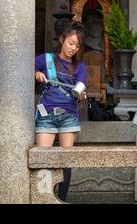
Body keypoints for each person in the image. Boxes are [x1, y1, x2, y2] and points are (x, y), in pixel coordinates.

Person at [34, 22, 87, 201]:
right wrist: (36, 74)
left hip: (68, 116)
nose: (74, 48)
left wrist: (81, 93)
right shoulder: (45, 59)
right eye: (71, 43)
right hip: (46, 114)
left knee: (66, 160)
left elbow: (80, 87)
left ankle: (62, 199)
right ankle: (44, 198)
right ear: (62, 39)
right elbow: (26, 69)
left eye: (77, 45)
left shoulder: (80, 66)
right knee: (43, 159)